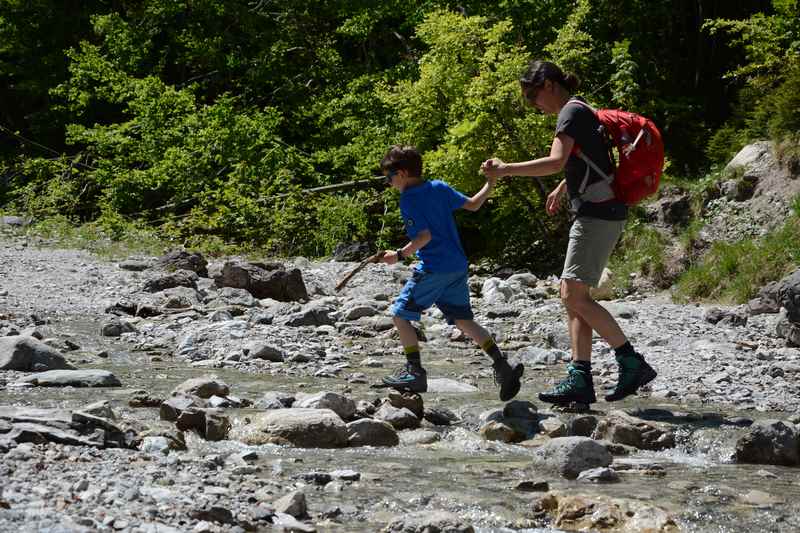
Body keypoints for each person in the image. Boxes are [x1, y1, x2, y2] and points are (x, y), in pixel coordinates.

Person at [480, 60, 656, 406]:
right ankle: (580, 378)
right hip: (598, 211)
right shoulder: (581, 110)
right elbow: (588, 160)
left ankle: (631, 362)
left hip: (596, 214)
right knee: (573, 297)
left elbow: (556, 160)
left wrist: (505, 170)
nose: (534, 105)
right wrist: (564, 188)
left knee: (573, 297)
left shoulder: (570, 114)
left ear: (548, 84)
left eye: (533, 96)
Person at [379, 144, 524, 401]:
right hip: (457, 266)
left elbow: (424, 237)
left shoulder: (409, 199)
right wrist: (490, 182)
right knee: (463, 320)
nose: (389, 183)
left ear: (401, 173)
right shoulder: (438, 187)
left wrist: (399, 255)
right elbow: (473, 205)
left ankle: (414, 372)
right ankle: (502, 364)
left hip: (434, 268)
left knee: (400, 316)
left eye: (389, 177)